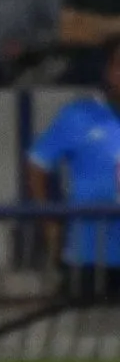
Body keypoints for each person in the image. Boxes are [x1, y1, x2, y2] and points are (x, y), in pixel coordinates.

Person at [28, 36, 120, 301]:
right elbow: (37, 165)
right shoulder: (77, 115)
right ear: (109, 72)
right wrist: (49, 223)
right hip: (90, 254)